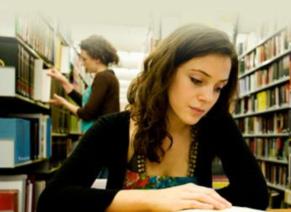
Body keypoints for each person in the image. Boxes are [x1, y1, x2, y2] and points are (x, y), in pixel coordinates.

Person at [37, 24, 268, 212]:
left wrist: (191, 203)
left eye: (219, 87)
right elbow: (53, 200)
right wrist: (155, 200)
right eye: (197, 80)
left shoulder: (216, 124)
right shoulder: (112, 128)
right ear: (165, 72)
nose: (208, 98)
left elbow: (255, 195)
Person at [48, 35, 120, 133]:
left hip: (100, 139)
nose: (82, 63)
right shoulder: (107, 76)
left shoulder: (103, 78)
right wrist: (63, 81)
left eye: (85, 59)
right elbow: (87, 103)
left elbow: (87, 113)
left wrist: (64, 103)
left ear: (97, 59)